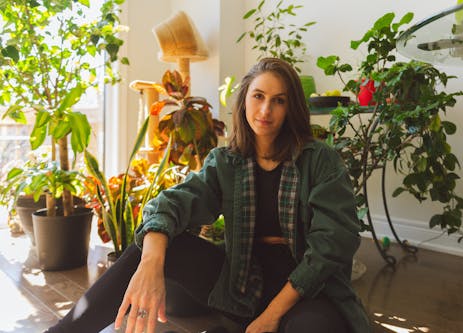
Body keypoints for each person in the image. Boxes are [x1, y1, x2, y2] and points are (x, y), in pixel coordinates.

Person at [45, 57, 370, 333]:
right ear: (244, 100)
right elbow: (171, 204)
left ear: (291, 108)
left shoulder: (320, 161)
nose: (266, 109)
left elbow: (331, 247)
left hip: (306, 290)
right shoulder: (226, 162)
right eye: (258, 96)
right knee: (151, 246)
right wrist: (150, 264)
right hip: (244, 282)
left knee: (310, 328)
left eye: (279, 100)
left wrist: (270, 318)